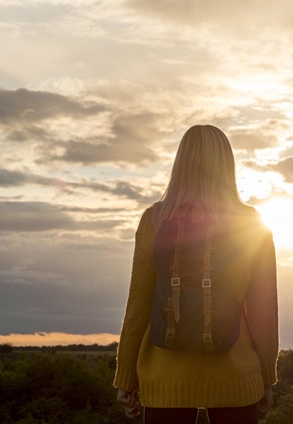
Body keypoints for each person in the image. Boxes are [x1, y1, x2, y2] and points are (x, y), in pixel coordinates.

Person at [114, 124, 279, 424]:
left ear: (180, 163)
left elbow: (137, 307)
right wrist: (267, 377)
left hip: (165, 378)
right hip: (236, 377)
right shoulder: (251, 223)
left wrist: (126, 377)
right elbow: (263, 312)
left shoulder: (154, 220)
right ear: (226, 165)